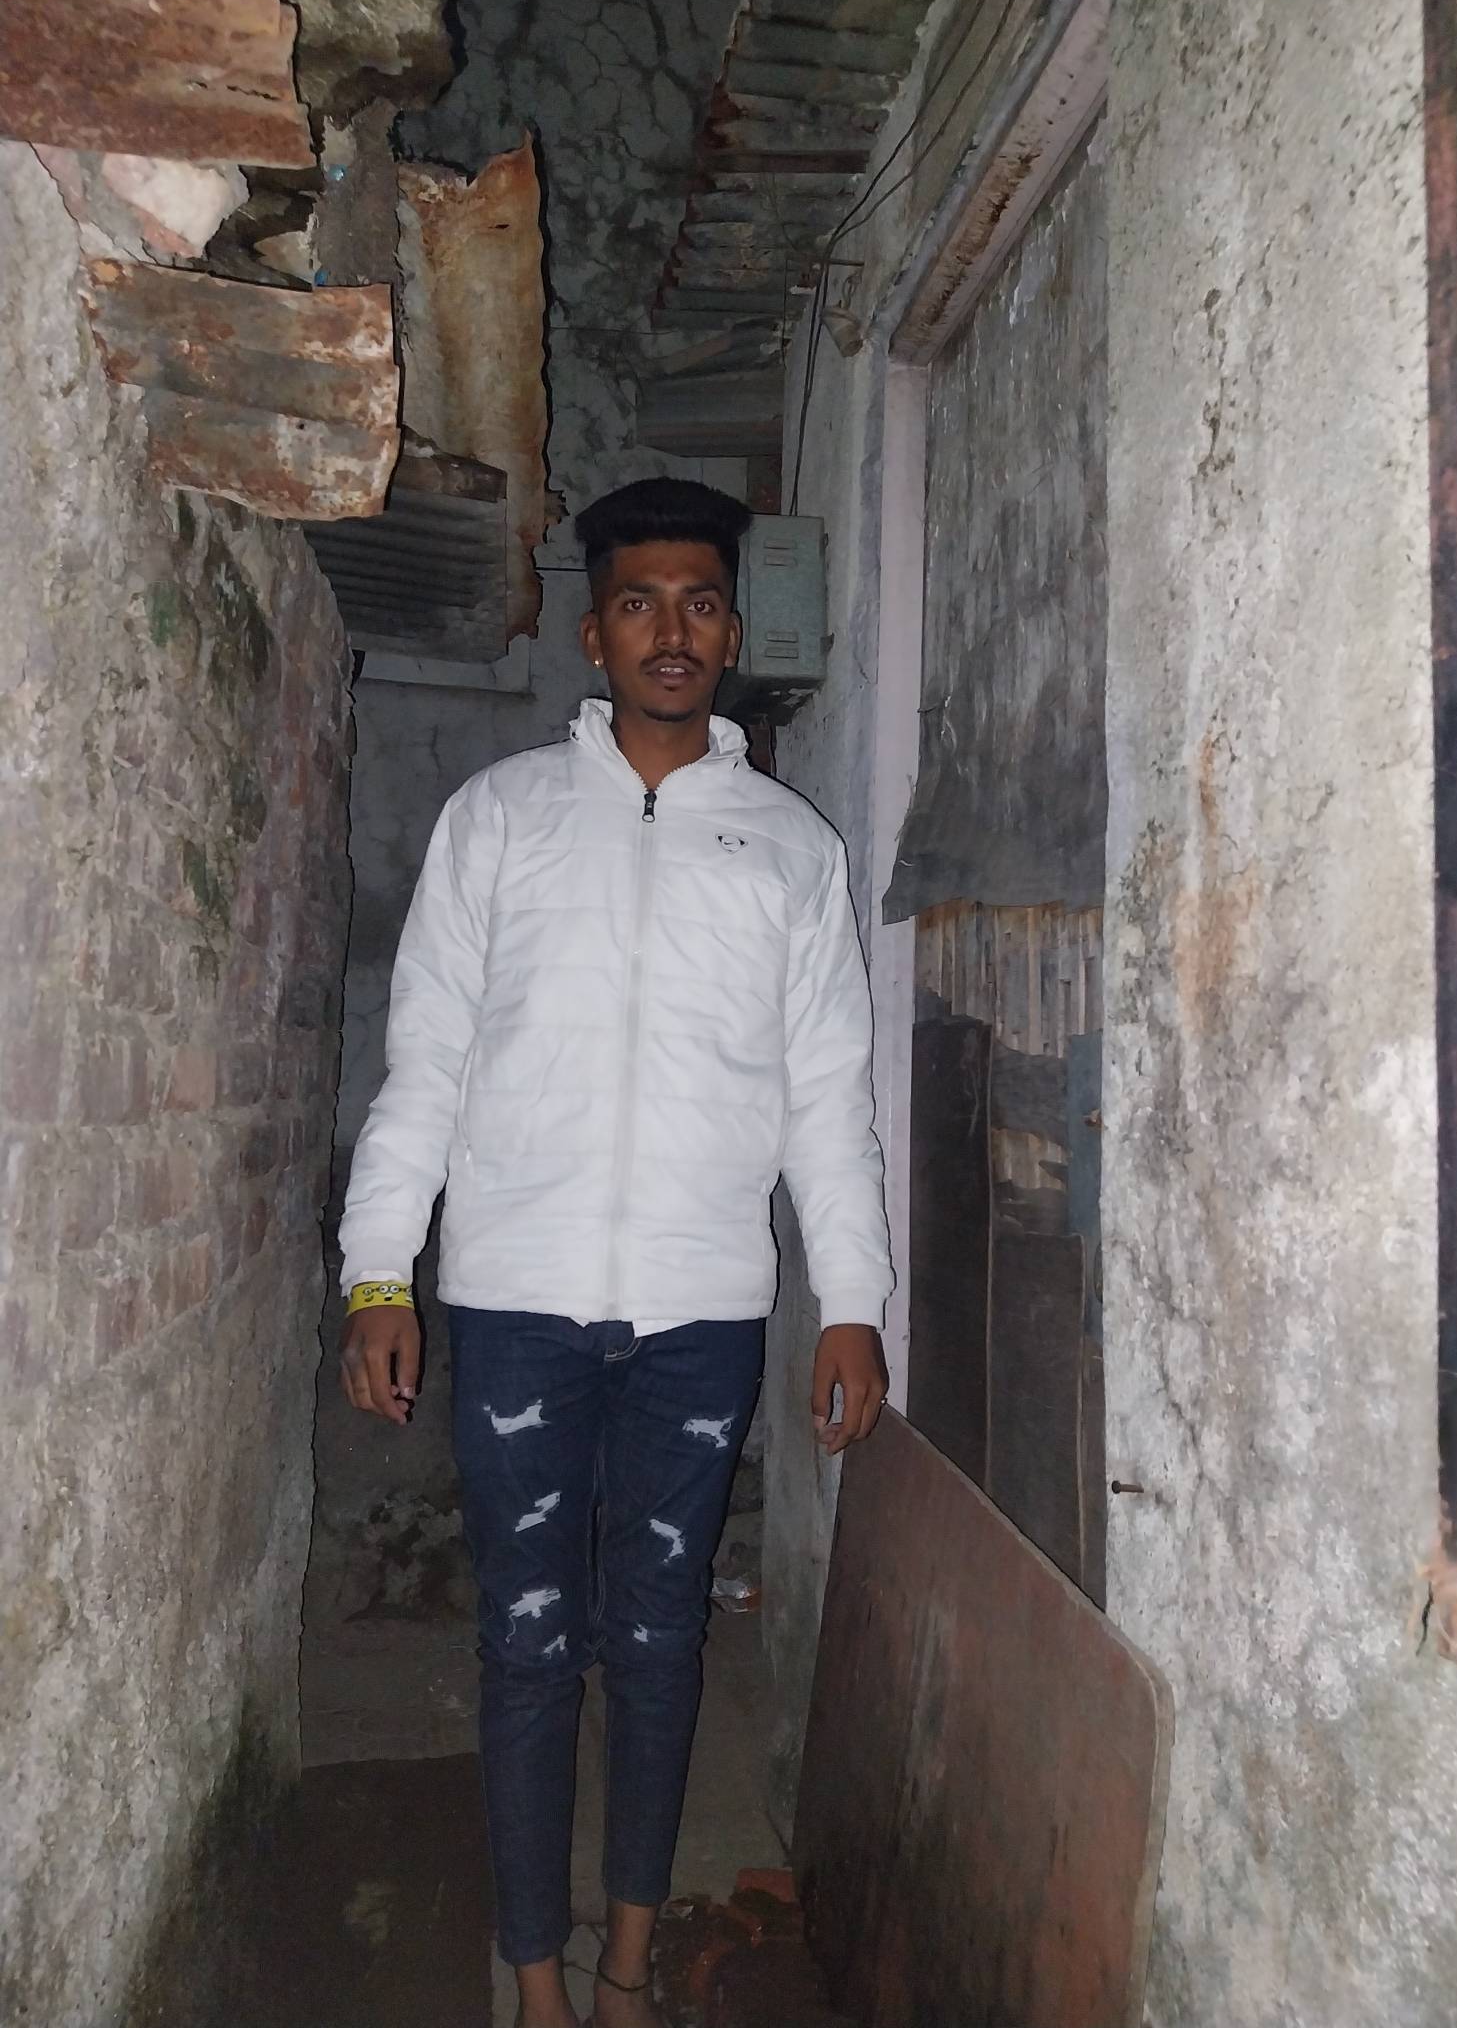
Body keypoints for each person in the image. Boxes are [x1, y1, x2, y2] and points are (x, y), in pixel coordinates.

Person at [337, 476, 893, 2028]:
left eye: (699, 603)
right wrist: (379, 1274)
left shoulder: (787, 852)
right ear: (593, 635)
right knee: (525, 1647)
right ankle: (535, 1983)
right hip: (513, 1302)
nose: (671, 631)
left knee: (656, 1645)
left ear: (731, 632)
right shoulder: (499, 820)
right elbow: (425, 1066)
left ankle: (630, 1970)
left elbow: (827, 1102)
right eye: (639, 602)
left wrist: (850, 1302)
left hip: (699, 1316)